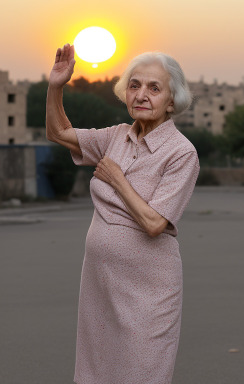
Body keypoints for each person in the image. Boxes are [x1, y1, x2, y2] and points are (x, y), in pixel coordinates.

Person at [46, 43, 200, 384]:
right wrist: (56, 86)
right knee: (96, 373)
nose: (141, 94)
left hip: (149, 291)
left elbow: (155, 223)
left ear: (172, 101)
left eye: (154, 88)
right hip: (100, 285)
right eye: (134, 85)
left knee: (141, 373)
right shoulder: (116, 136)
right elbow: (58, 132)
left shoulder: (181, 153)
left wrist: (117, 179)